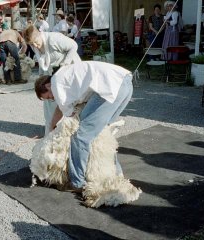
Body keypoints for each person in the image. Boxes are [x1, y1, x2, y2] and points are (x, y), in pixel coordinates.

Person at [34, 61, 133, 190]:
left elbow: (69, 117)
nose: (52, 98)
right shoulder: (65, 76)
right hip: (124, 82)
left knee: (80, 137)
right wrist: (52, 124)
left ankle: (77, 182)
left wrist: (52, 130)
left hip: (108, 88)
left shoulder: (57, 84)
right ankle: (116, 173)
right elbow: (61, 107)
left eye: (49, 96)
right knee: (102, 133)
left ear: (47, 85)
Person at [24, 25, 81, 135]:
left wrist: (66, 63)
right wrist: (41, 77)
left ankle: (69, 130)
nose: (35, 45)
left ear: (40, 34)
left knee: (67, 103)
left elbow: (74, 46)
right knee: (49, 102)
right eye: (31, 44)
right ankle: (51, 130)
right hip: (52, 76)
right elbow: (43, 62)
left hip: (69, 72)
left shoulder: (54, 38)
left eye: (36, 42)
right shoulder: (35, 46)